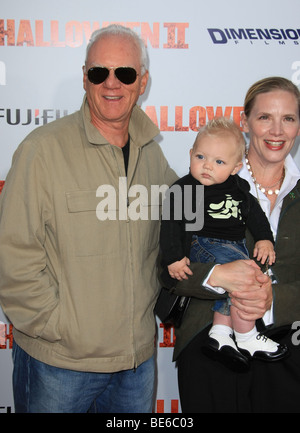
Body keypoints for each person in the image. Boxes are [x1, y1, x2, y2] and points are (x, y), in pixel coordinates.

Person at [0, 24, 177, 413]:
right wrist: (58, 328)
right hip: (60, 365)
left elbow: (182, 225)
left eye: (125, 73)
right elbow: (13, 254)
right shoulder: (42, 151)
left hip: (136, 364)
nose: (111, 84)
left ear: (142, 81)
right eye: (99, 72)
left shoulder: (152, 154)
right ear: (85, 77)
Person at [160, 76, 300, 413]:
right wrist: (218, 275)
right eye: (265, 117)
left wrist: (271, 299)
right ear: (246, 122)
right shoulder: (197, 184)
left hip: (286, 346)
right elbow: (168, 272)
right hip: (209, 342)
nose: (276, 130)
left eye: (289, 118)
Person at [160, 117, 288, 372]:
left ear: (235, 167)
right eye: (200, 157)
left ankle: (220, 331)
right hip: (204, 244)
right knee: (246, 278)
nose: (207, 166)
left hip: (235, 245)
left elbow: (255, 215)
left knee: (241, 277)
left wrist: (264, 239)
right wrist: (173, 257)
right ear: (190, 154)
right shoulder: (185, 188)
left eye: (218, 162)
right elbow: (171, 223)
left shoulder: (239, 189)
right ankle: (246, 335)